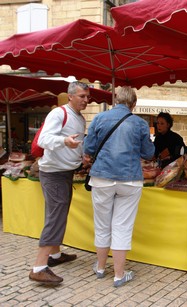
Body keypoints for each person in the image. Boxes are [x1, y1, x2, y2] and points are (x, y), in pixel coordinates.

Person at [83, 86, 155, 288]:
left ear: (115, 100)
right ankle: (119, 275)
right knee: (122, 226)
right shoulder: (140, 123)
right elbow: (148, 153)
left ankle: (99, 267)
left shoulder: (99, 118)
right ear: (134, 104)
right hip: (129, 178)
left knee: (102, 224)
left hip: (102, 177)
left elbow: (88, 148)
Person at [28, 81, 89, 286]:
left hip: (65, 173)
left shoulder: (79, 118)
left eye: (87, 97)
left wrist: (81, 157)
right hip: (53, 173)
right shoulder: (58, 113)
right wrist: (64, 142)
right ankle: (38, 267)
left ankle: (54, 256)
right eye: (82, 96)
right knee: (55, 217)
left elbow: (74, 144)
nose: (86, 100)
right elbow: (44, 140)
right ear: (70, 96)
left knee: (56, 214)